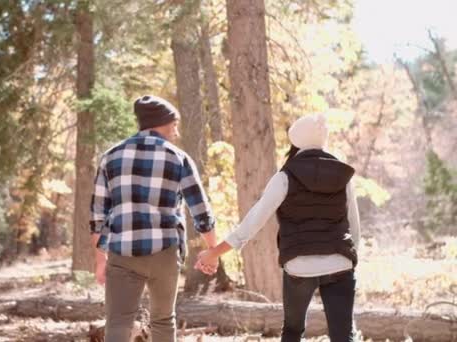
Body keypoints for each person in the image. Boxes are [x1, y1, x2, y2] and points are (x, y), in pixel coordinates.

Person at [196, 113, 360, 342]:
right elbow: (354, 226)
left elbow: (253, 221)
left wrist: (215, 252)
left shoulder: (286, 176)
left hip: (299, 265)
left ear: (296, 141)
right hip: (340, 263)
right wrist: (349, 260)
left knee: (293, 331)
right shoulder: (343, 175)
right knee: (343, 336)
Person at [90, 95, 218, 342]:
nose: (176, 132)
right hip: (164, 251)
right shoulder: (178, 157)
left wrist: (99, 259)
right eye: (175, 125)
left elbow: (98, 215)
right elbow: (201, 211)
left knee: (118, 322)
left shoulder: (111, 156)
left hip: (122, 252)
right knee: (163, 320)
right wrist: (213, 249)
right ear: (164, 123)